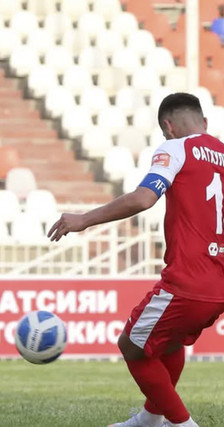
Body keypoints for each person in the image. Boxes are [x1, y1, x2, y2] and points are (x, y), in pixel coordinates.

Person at [48, 92, 224, 427]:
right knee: (166, 342)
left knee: (131, 346)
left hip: (188, 279)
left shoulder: (175, 147)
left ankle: (182, 424)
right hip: (219, 282)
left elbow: (144, 199)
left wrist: (84, 219)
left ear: (168, 127)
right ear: (204, 122)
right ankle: (149, 419)